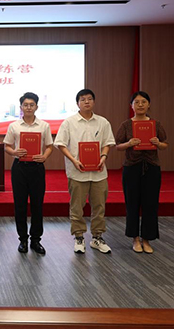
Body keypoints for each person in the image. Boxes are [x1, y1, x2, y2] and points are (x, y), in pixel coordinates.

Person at [54, 89, 116, 254]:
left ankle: (97, 237)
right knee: (77, 207)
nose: (86, 102)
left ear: (94, 102)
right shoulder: (69, 122)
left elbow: (108, 143)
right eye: (83, 99)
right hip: (77, 171)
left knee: (99, 206)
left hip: (99, 172)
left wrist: (103, 156)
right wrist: (73, 160)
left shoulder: (103, 122)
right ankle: (79, 237)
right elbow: (60, 144)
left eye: (89, 99)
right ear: (77, 103)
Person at [115, 91, 168, 254]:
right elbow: (117, 145)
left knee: (150, 204)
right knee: (132, 203)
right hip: (132, 167)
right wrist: (129, 143)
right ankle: (135, 239)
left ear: (149, 104)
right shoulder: (126, 125)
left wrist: (158, 143)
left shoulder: (155, 124)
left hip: (151, 167)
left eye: (143, 102)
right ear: (131, 105)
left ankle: (147, 239)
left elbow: (165, 144)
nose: (140, 105)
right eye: (136, 102)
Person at [3, 92, 53, 255]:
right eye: (26, 105)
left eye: (32, 105)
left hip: (37, 167)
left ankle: (36, 240)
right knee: (20, 205)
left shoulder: (44, 126)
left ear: (37, 107)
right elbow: (7, 146)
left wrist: (44, 156)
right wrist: (14, 152)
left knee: (37, 205)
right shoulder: (14, 126)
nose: (29, 107)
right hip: (20, 167)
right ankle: (23, 239)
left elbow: (49, 146)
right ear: (21, 107)